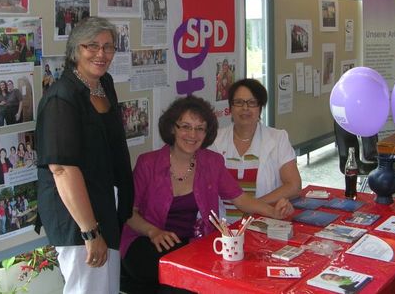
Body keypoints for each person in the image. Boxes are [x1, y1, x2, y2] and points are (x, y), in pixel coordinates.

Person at [120, 95, 294, 294]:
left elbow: (241, 199)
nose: (192, 134)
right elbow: (129, 212)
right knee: (177, 281)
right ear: (172, 128)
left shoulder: (212, 162)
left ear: (207, 133)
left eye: (199, 128)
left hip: (191, 243)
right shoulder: (147, 163)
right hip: (146, 240)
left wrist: (274, 212)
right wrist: (153, 232)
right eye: (185, 126)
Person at [35, 17, 134, 294]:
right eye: (92, 46)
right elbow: (62, 170)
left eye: (108, 47)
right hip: (78, 218)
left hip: (104, 206)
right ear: (75, 50)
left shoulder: (104, 85)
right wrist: (90, 232)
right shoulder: (61, 98)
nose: (101, 54)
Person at [211, 78, 302, 223]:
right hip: (222, 228)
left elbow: (294, 186)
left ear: (260, 108)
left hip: (264, 222)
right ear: (230, 108)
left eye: (252, 103)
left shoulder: (277, 138)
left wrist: (254, 206)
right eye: (239, 102)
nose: (245, 108)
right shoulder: (214, 141)